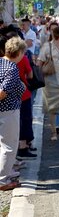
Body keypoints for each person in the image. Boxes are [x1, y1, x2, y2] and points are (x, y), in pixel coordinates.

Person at [0, 37, 27, 190]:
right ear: (19, 52)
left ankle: (5, 172)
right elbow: (3, 92)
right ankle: (3, 180)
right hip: (8, 111)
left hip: (5, 110)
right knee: (9, 146)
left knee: (2, 145)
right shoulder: (12, 68)